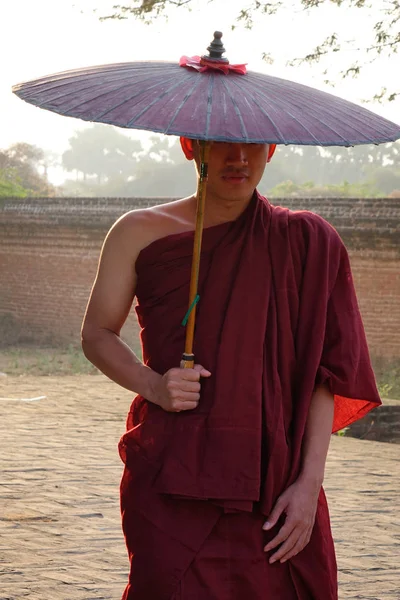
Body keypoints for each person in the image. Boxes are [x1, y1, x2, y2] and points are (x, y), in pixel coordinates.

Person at [81, 138, 381, 600]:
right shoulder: (139, 231)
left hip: (275, 482)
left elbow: (329, 374)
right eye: (220, 145)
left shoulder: (308, 242)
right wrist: (154, 385)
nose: (238, 159)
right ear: (191, 147)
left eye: (251, 146)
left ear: (272, 150)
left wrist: (308, 485)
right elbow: (97, 332)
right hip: (173, 476)